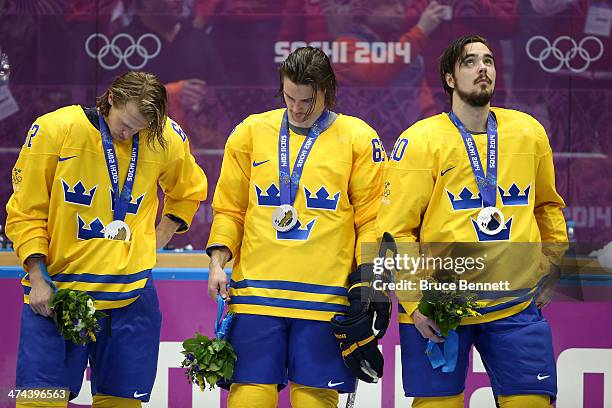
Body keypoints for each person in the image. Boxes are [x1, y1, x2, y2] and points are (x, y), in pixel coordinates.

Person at [376, 35, 568, 408]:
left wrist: (553, 263)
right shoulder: (419, 141)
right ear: (449, 78)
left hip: (515, 305)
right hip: (438, 309)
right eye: (470, 62)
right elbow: (395, 231)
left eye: (489, 60)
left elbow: (547, 205)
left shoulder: (528, 133)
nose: (483, 68)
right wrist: (414, 303)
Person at [6, 71, 208, 408]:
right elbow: (26, 210)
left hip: (130, 298)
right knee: (38, 401)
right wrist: (37, 275)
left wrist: (161, 234)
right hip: (56, 293)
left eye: (138, 128)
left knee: (120, 402)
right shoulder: (56, 129)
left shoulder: (164, 137)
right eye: (125, 122)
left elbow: (188, 191)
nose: (129, 133)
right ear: (111, 97)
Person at [206, 46, 389, 408]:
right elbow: (230, 208)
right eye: (289, 97)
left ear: (327, 90)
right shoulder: (251, 132)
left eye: (307, 100)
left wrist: (371, 282)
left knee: (314, 400)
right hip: (257, 297)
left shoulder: (359, 138)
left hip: (325, 301)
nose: (297, 108)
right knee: (249, 397)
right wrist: (217, 261)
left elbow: (372, 220)